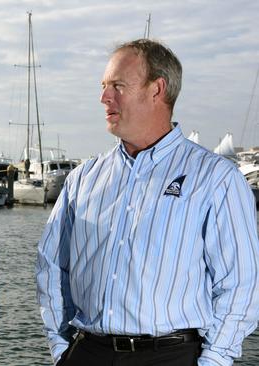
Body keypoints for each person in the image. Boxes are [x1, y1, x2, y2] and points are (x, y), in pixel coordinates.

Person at [36, 38, 259, 366]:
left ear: (157, 89)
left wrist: (213, 362)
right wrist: (62, 350)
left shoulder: (216, 178)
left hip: (173, 357)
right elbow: (52, 265)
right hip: (86, 353)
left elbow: (241, 286)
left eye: (117, 86)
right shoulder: (83, 178)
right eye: (103, 86)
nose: (104, 97)